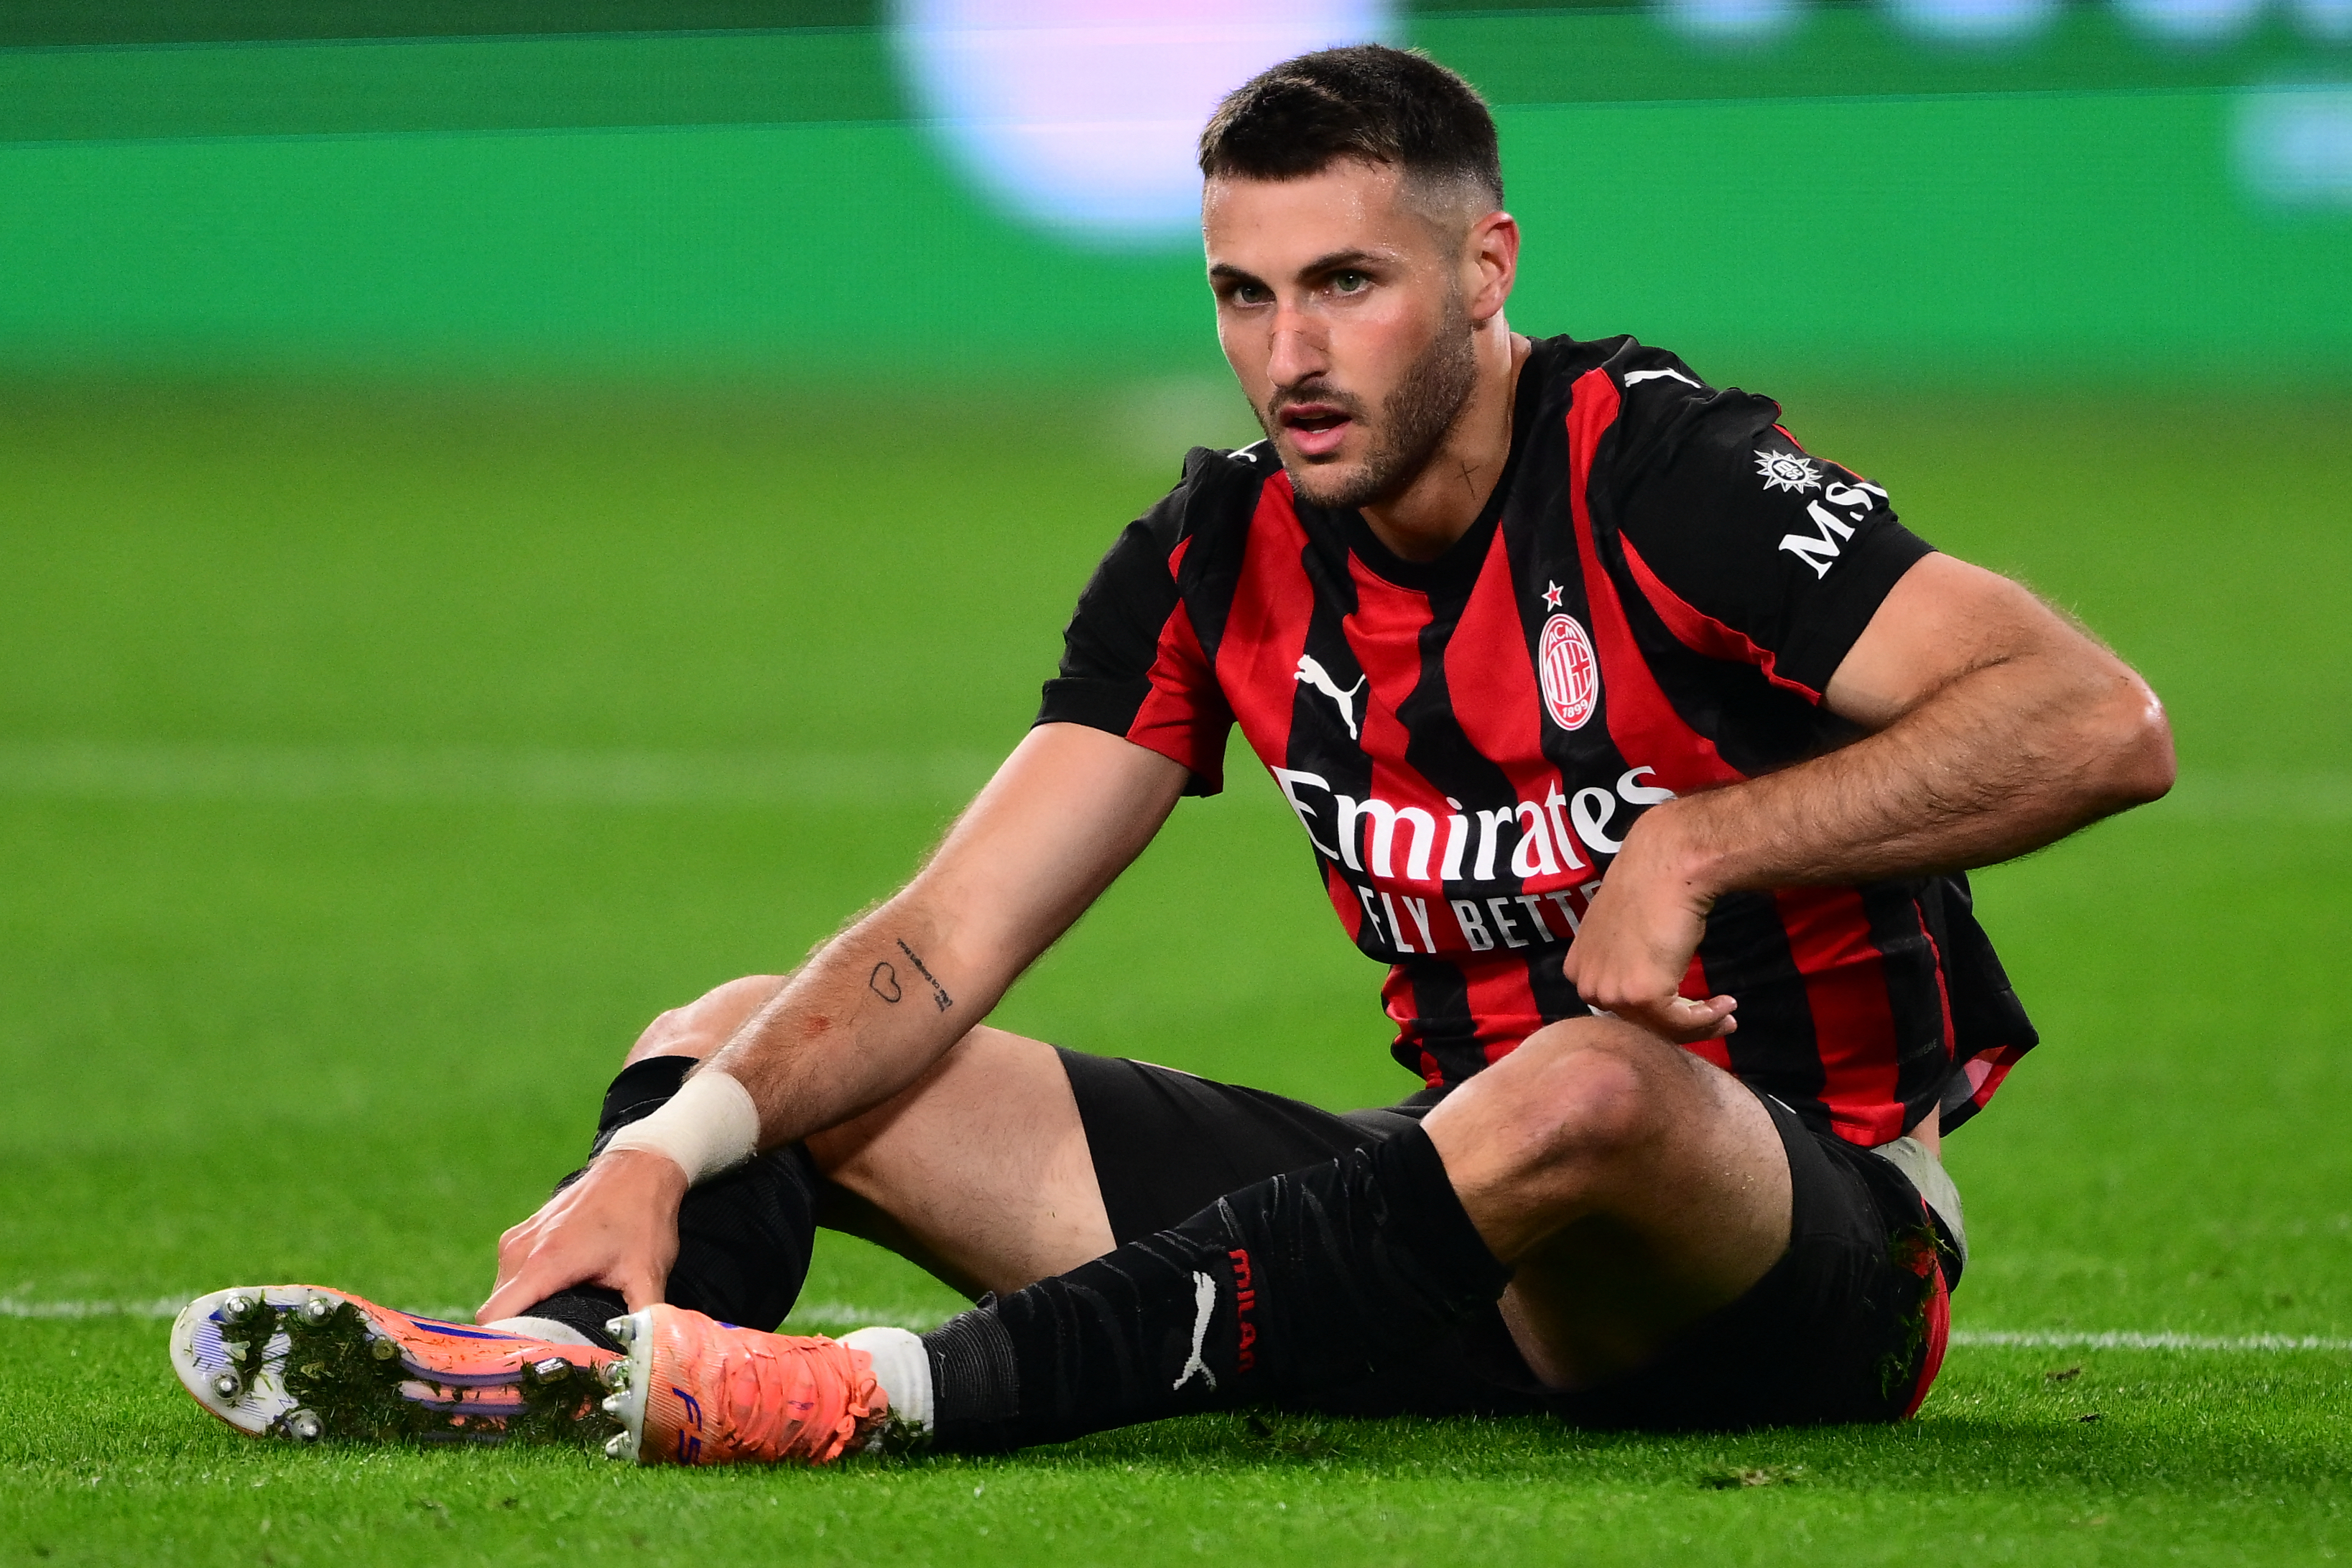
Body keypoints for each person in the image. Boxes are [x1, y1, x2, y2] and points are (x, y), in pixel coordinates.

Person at [167, 44, 2173, 1465]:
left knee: (1593, 1088)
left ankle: (889, 1397)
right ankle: (552, 1361)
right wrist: (654, 1151)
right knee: (738, 1045)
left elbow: (2094, 717)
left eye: (1345, 286)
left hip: (1785, 1257)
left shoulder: (1667, 480)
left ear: (1484, 273)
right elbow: (941, 945)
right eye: (1242, 292)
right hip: (1437, 1233)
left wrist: (1701, 847)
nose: (1287, 352)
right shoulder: (1215, 550)